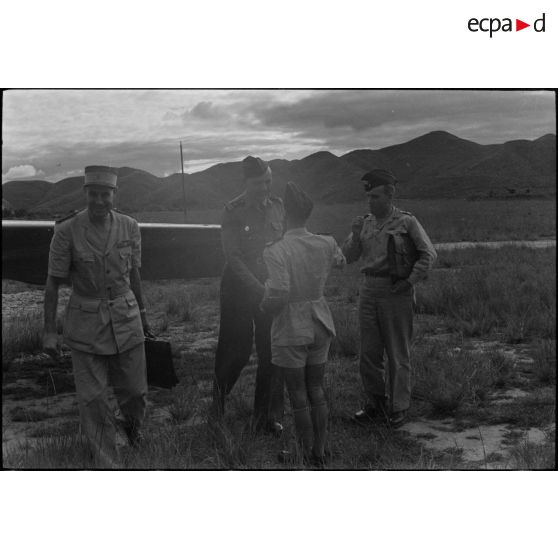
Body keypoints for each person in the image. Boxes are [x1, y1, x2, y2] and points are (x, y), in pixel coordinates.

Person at [42, 165, 152, 468]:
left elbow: (135, 274)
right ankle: (107, 466)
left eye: (106, 194)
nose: (100, 201)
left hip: (126, 317)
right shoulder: (66, 231)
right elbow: (52, 282)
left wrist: (143, 314)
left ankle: (133, 431)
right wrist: (49, 331)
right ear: (85, 194)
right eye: (94, 194)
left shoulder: (130, 226)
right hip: (86, 324)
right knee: (93, 402)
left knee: (135, 392)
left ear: (114, 194)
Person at [342, 169, 436, 428]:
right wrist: (354, 232)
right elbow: (348, 256)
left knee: (397, 352)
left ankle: (398, 407)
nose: (370, 201)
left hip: (396, 291)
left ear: (390, 195)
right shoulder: (366, 222)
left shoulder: (407, 222)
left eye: (375, 196)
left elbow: (428, 254)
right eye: (368, 196)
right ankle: (375, 403)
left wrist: (409, 282)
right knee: (369, 353)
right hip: (369, 289)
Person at [261, 182, 345, 466]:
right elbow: (342, 262)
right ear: (307, 214)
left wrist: (264, 307)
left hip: (290, 327)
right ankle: (318, 451)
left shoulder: (276, 250)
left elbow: (280, 292)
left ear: (285, 214)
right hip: (320, 321)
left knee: (297, 395)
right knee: (317, 391)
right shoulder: (327, 242)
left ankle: (302, 452)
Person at [211, 156, 285, 434]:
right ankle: (217, 407)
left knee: (272, 351)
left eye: (267, 181)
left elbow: (282, 246)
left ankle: (266, 417)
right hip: (238, 288)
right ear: (246, 183)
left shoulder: (278, 207)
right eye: (258, 184)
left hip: (269, 285)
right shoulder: (233, 210)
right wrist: (258, 288)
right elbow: (233, 257)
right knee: (236, 351)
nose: (264, 188)